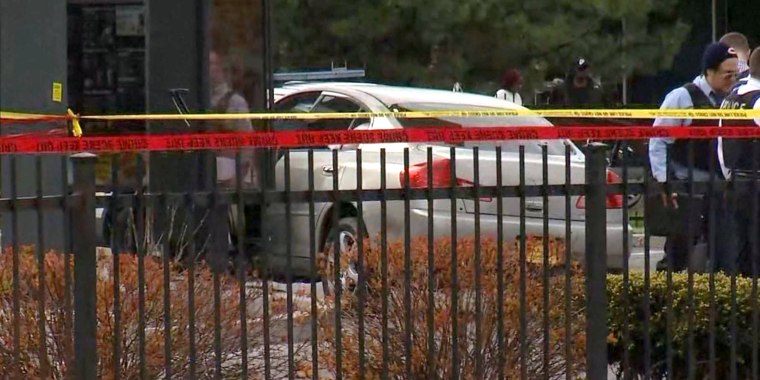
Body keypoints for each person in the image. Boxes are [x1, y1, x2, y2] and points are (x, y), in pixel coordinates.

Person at [648, 42, 739, 273]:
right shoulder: (682, 98)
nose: (732, 80)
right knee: (677, 256)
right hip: (687, 189)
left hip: (719, 191)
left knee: (725, 256)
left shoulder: (730, 100)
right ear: (709, 71)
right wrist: (665, 181)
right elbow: (658, 141)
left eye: (736, 74)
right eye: (727, 75)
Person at [719, 47, 760, 276]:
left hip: (737, 181)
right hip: (755, 183)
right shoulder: (757, 101)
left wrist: (728, 174)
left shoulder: (732, 97)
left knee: (741, 250)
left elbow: (720, 140)